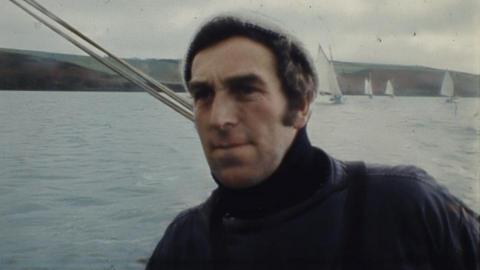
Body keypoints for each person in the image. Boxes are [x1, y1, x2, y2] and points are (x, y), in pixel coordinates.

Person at [146, 14, 479, 270]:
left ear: (301, 105)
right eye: (203, 94)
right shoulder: (184, 244)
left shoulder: (405, 204)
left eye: (246, 90)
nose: (219, 119)